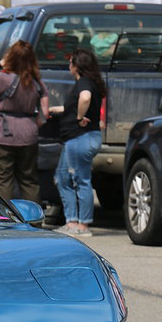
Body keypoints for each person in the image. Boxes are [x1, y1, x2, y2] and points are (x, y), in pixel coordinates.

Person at [0, 40, 49, 205]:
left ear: (12, 59)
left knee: (3, 179)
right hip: (29, 134)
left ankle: (7, 219)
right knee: (29, 180)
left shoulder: (4, 79)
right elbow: (44, 113)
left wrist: (0, 63)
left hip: (3, 133)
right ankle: (33, 221)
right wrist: (31, 126)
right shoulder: (38, 83)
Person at [48, 48, 106, 237]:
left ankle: (83, 225)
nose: (69, 65)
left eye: (71, 62)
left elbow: (85, 98)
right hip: (76, 138)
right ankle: (72, 221)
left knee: (81, 179)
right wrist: (54, 110)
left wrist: (80, 116)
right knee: (62, 177)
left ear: (77, 66)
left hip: (81, 137)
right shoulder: (90, 82)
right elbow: (72, 105)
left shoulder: (84, 83)